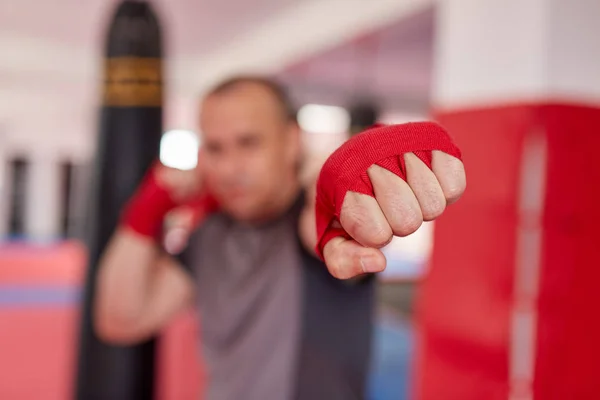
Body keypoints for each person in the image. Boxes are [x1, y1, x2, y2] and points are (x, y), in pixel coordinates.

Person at [93, 76, 466, 400]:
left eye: (248, 143)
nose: (229, 168)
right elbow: (121, 319)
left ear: (291, 141)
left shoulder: (311, 219)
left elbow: (325, 226)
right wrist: (147, 210)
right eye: (215, 148)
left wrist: (350, 182)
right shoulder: (208, 235)